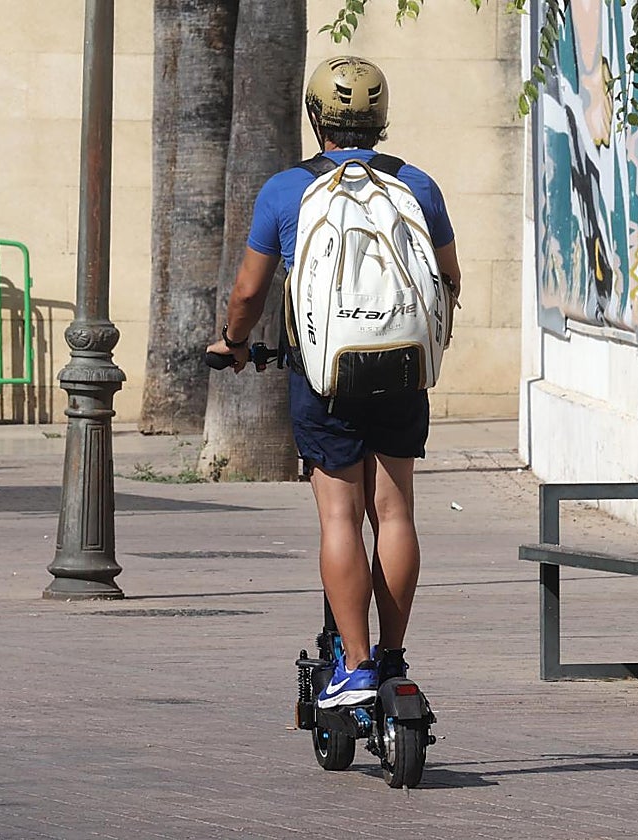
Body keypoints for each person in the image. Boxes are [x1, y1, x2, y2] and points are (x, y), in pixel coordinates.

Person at [206, 56, 462, 708]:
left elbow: (247, 292)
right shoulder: (419, 186)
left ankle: (353, 665)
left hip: (325, 376)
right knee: (395, 511)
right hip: (402, 369)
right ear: (380, 120)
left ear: (315, 118)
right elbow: (449, 278)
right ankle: (396, 659)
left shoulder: (286, 191)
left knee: (341, 517)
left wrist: (234, 345)